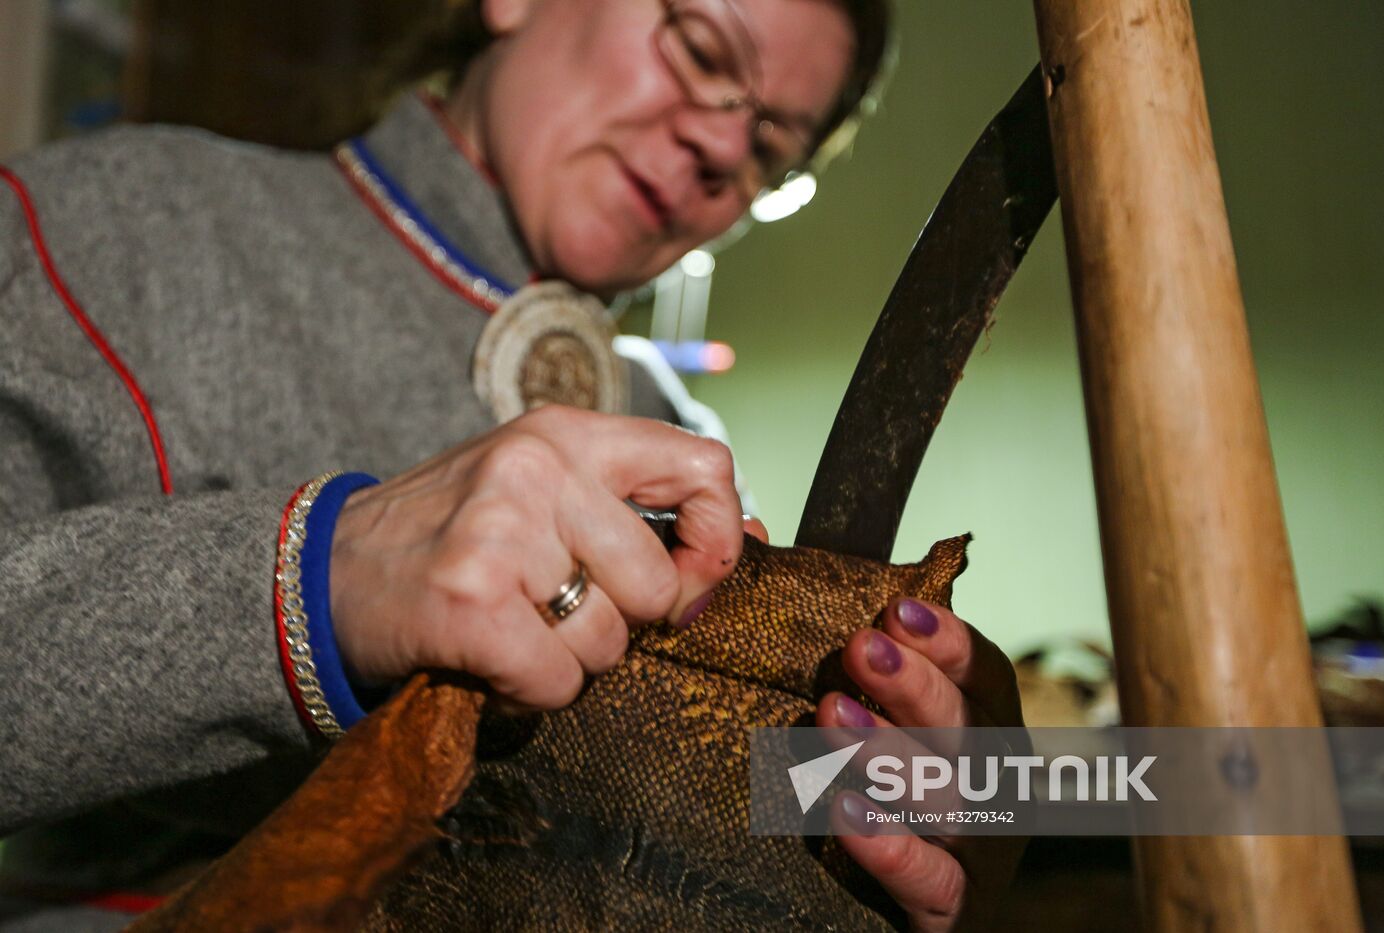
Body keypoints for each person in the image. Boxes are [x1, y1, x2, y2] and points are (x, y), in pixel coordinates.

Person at [0, 0, 1022, 928]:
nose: (718, 143)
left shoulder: (688, 451)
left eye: (768, 146)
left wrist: (907, 832)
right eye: (704, 48)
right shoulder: (112, 227)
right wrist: (325, 577)